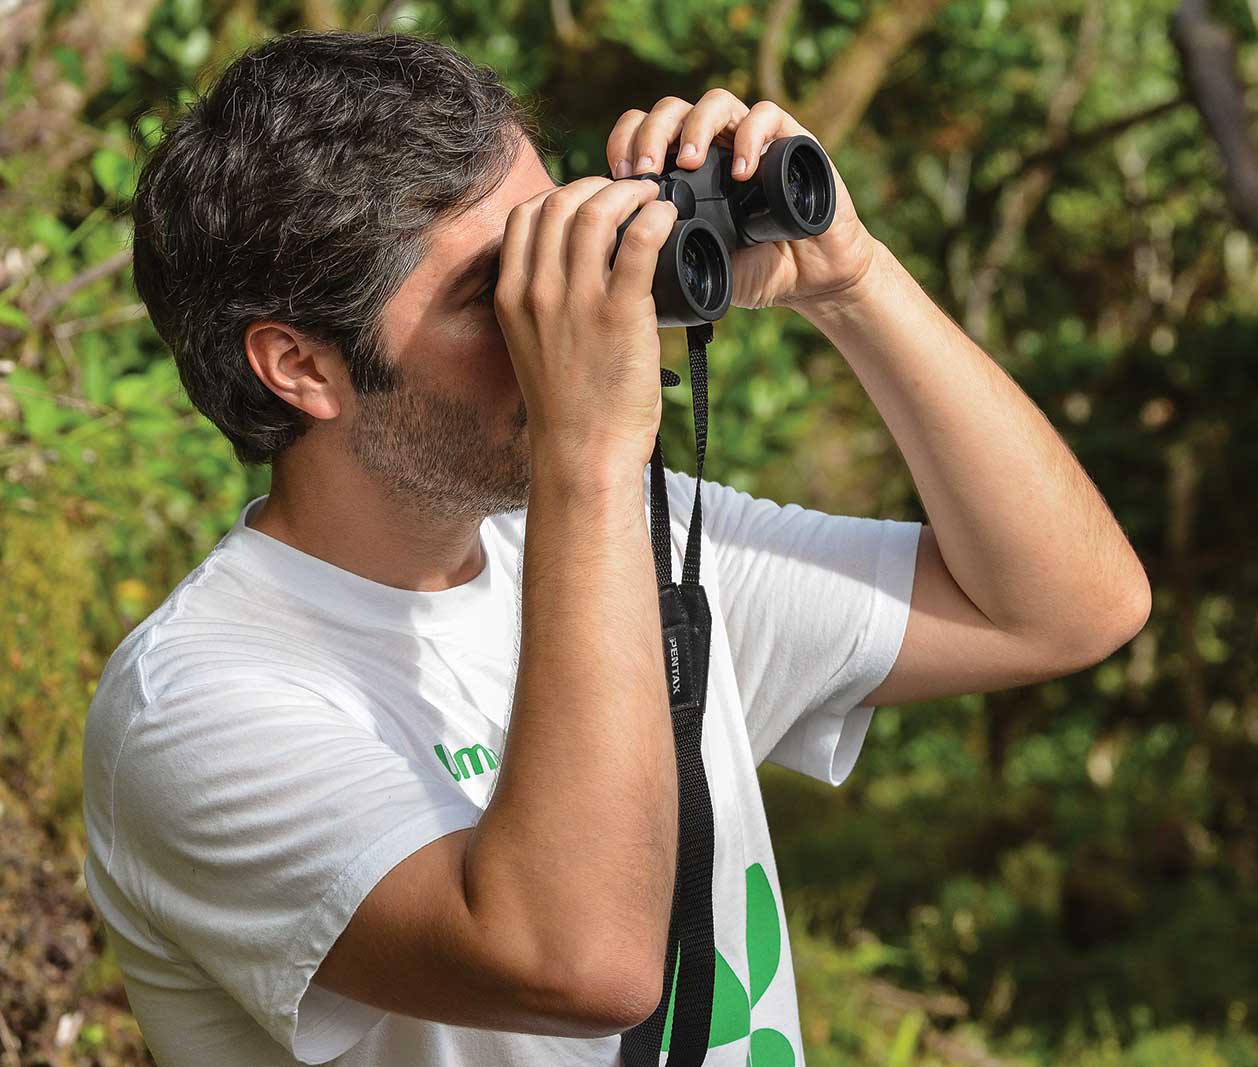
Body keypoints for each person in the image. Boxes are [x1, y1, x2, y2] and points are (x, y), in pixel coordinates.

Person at [79, 29, 1150, 1067]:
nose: (570, 309)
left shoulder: (635, 533)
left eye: (560, 241)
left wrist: (852, 284)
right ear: (301, 366)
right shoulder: (199, 704)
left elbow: (1062, 607)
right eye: (495, 287)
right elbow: (581, 962)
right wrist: (585, 451)